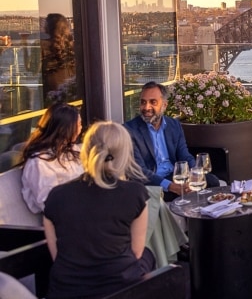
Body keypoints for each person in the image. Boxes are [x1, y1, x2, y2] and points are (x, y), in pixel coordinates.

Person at [43, 121, 155, 299]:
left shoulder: (56, 196)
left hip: (67, 292)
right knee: (148, 255)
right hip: (119, 289)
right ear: (124, 154)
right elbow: (136, 252)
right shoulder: (136, 193)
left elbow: (57, 255)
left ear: (86, 151)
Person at [125, 81, 218, 199]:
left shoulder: (174, 125)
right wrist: (171, 186)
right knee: (184, 193)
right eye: (143, 102)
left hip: (176, 175)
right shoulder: (129, 130)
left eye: (153, 102)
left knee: (212, 181)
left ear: (164, 105)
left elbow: (184, 155)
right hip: (154, 182)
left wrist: (196, 175)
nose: (146, 107)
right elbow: (139, 171)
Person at [20, 103, 83, 214]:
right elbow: (47, 202)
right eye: (78, 125)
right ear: (65, 129)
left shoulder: (72, 150)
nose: (80, 129)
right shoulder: (39, 162)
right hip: (65, 219)